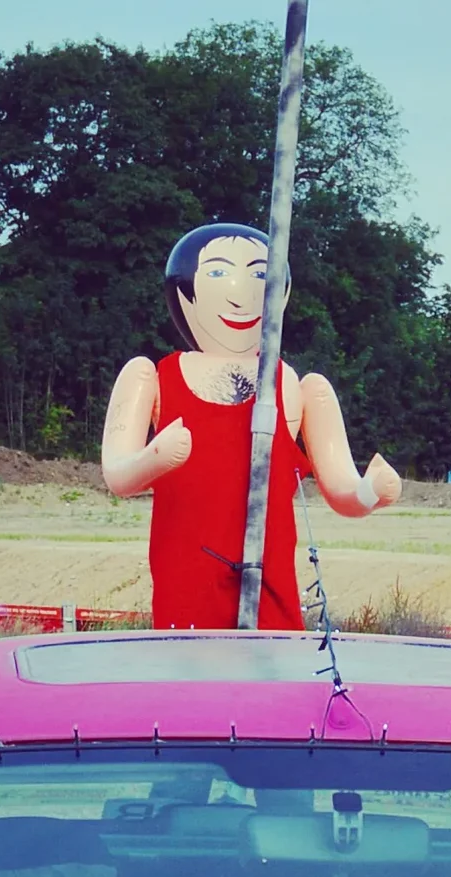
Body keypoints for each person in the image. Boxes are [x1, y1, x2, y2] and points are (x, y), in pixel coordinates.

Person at [99, 221, 401, 628]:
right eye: (219, 272)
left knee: (271, 682)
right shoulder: (151, 378)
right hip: (187, 583)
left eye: (260, 274)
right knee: (192, 679)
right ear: (185, 290)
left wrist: (369, 492)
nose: (240, 294)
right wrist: (154, 458)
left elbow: (341, 487)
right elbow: (118, 475)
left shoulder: (298, 387)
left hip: (271, 586)